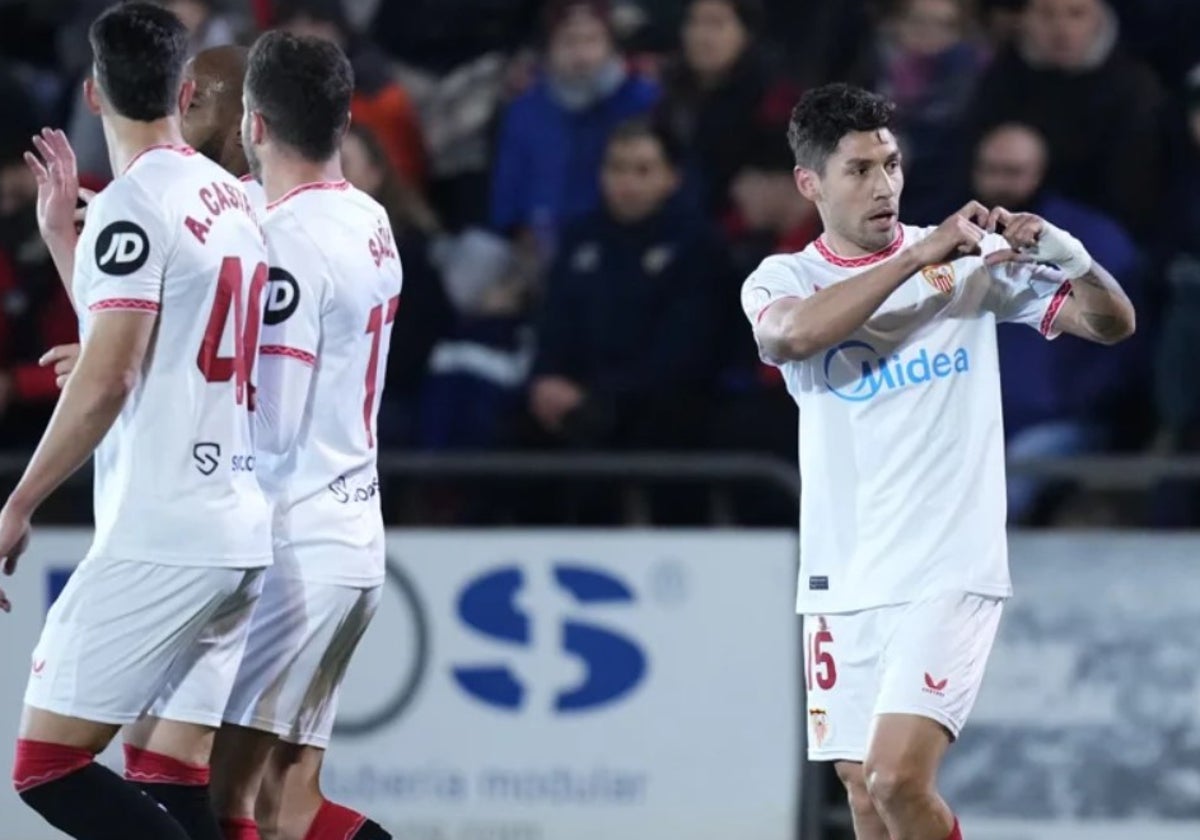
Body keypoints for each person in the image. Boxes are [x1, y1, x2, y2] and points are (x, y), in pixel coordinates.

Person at [741, 83, 1134, 840]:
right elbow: (790, 339)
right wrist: (919, 258)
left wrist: (1072, 258)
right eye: (859, 169)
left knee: (897, 776)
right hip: (843, 570)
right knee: (862, 790)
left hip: (948, 565)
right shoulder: (783, 279)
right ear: (810, 184)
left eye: (890, 163)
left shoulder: (972, 263)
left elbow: (1111, 324)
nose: (884, 185)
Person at [0, 4, 272, 840]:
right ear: (182, 88)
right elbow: (165, 333)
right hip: (236, 528)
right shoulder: (232, 200)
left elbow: (112, 373)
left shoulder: (133, 203)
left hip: (163, 531)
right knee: (167, 774)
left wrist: (18, 503)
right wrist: (62, 242)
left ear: (91, 91)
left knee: (47, 767)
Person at [207, 32, 401, 840]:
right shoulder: (367, 214)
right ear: (344, 121)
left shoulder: (287, 243)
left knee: (222, 805)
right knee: (292, 811)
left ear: (254, 125)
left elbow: (271, 415)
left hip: (295, 551)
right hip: (353, 541)